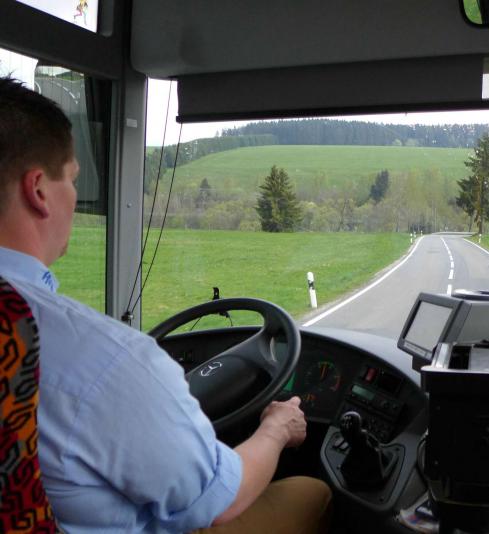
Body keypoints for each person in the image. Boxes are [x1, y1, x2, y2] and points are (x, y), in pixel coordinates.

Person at [0, 76, 331, 532]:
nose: (75, 198)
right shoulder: (101, 360)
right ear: (38, 191)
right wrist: (276, 429)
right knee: (310, 490)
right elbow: (217, 501)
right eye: (73, 180)